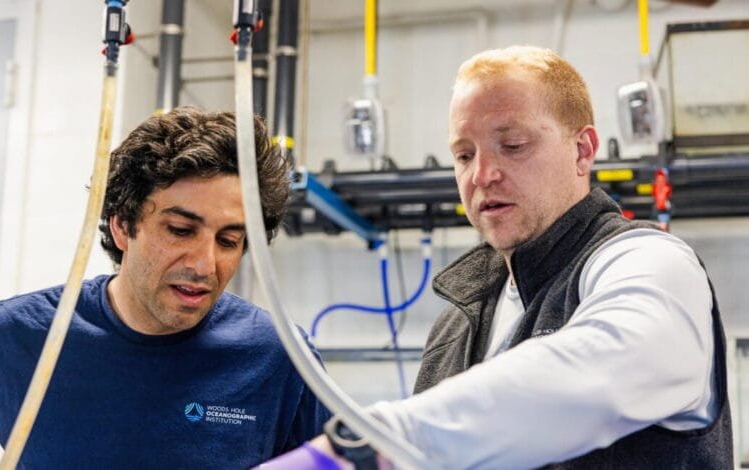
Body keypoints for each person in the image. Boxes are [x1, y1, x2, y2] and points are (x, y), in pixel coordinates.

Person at [262, 46, 732, 469]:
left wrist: (367, 445)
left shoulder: (647, 263)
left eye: (512, 145)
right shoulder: (457, 323)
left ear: (582, 151)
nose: (482, 174)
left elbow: (597, 377)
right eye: (464, 155)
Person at [0, 107, 330, 468]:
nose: (205, 265)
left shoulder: (281, 358)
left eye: (228, 240)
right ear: (123, 226)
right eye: (180, 230)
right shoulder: (12, 337)